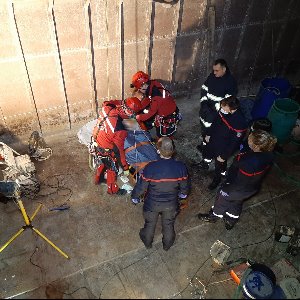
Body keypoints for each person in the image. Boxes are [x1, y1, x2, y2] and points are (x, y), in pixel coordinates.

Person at [197, 130, 277, 230]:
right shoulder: (269, 155)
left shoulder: (247, 161)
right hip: (252, 188)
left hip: (236, 187)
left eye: (250, 138)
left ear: (256, 146)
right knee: (236, 202)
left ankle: (213, 216)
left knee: (221, 200)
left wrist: (226, 187)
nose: (248, 138)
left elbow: (239, 174)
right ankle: (231, 220)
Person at [131, 137, 190, 251]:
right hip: (171, 205)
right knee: (168, 225)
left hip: (152, 205)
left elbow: (141, 187)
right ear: (173, 150)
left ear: (158, 151)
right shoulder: (181, 167)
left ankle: (147, 243)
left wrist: (134, 197)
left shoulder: (150, 167)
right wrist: (183, 195)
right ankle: (167, 246)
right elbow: (184, 188)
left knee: (150, 224)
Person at [91, 97, 142, 195]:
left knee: (102, 162)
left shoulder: (108, 107)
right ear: (130, 112)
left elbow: (107, 102)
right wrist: (125, 168)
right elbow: (119, 151)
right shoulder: (119, 129)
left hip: (96, 140)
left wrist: (122, 102)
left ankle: (98, 179)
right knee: (112, 169)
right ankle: (112, 190)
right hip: (106, 149)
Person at [197, 96, 247, 190]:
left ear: (231, 109)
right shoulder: (224, 109)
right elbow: (215, 122)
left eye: (224, 106)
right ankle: (204, 164)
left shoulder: (239, 122)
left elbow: (234, 143)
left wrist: (224, 156)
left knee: (219, 164)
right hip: (214, 140)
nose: (221, 108)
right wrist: (208, 134)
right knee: (207, 152)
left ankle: (217, 179)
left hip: (223, 147)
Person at [197, 58, 237, 151]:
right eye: (213, 70)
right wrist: (204, 103)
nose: (214, 73)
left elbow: (228, 101)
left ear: (224, 69)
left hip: (216, 113)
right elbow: (204, 88)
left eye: (217, 70)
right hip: (206, 108)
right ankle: (204, 144)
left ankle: (207, 147)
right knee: (203, 127)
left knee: (211, 131)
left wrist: (213, 109)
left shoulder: (230, 82)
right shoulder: (212, 76)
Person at [130, 71, 181, 138]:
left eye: (139, 88)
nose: (139, 90)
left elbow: (150, 113)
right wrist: (139, 108)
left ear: (144, 85)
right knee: (143, 113)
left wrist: (137, 117)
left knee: (163, 135)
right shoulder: (153, 84)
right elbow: (148, 99)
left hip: (167, 115)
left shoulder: (156, 95)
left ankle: (167, 143)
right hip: (164, 107)